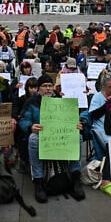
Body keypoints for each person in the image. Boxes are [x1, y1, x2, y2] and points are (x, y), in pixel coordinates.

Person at [19, 75, 85, 203]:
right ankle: (38, 180)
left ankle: (75, 176)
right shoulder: (31, 102)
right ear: (39, 88)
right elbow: (23, 120)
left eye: (50, 85)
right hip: (41, 134)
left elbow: (72, 118)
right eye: (44, 86)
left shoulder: (61, 100)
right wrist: (31, 126)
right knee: (33, 139)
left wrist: (76, 124)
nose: (48, 88)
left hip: (61, 133)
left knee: (78, 137)